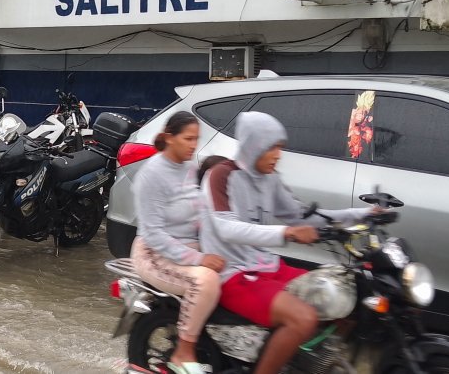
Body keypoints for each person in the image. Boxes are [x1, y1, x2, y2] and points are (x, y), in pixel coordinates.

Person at [202, 112, 373, 374]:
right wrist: (287, 233)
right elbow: (227, 228)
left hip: (267, 266)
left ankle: (305, 363)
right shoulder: (221, 175)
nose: (278, 155)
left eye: (280, 147)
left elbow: (301, 215)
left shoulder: (269, 179)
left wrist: (363, 215)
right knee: (302, 318)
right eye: (272, 147)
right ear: (253, 145)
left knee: (341, 297)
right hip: (233, 273)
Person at [131, 111, 223, 374]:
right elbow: (154, 234)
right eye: (188, 139)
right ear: (169, 138)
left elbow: (200, 213)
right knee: (205, 281)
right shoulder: (151, 174)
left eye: (196, 139)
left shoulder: (189, 167)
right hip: (154, 254)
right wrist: (200, 259)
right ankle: (183, 353)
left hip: (189, 249)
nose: (194, 145)